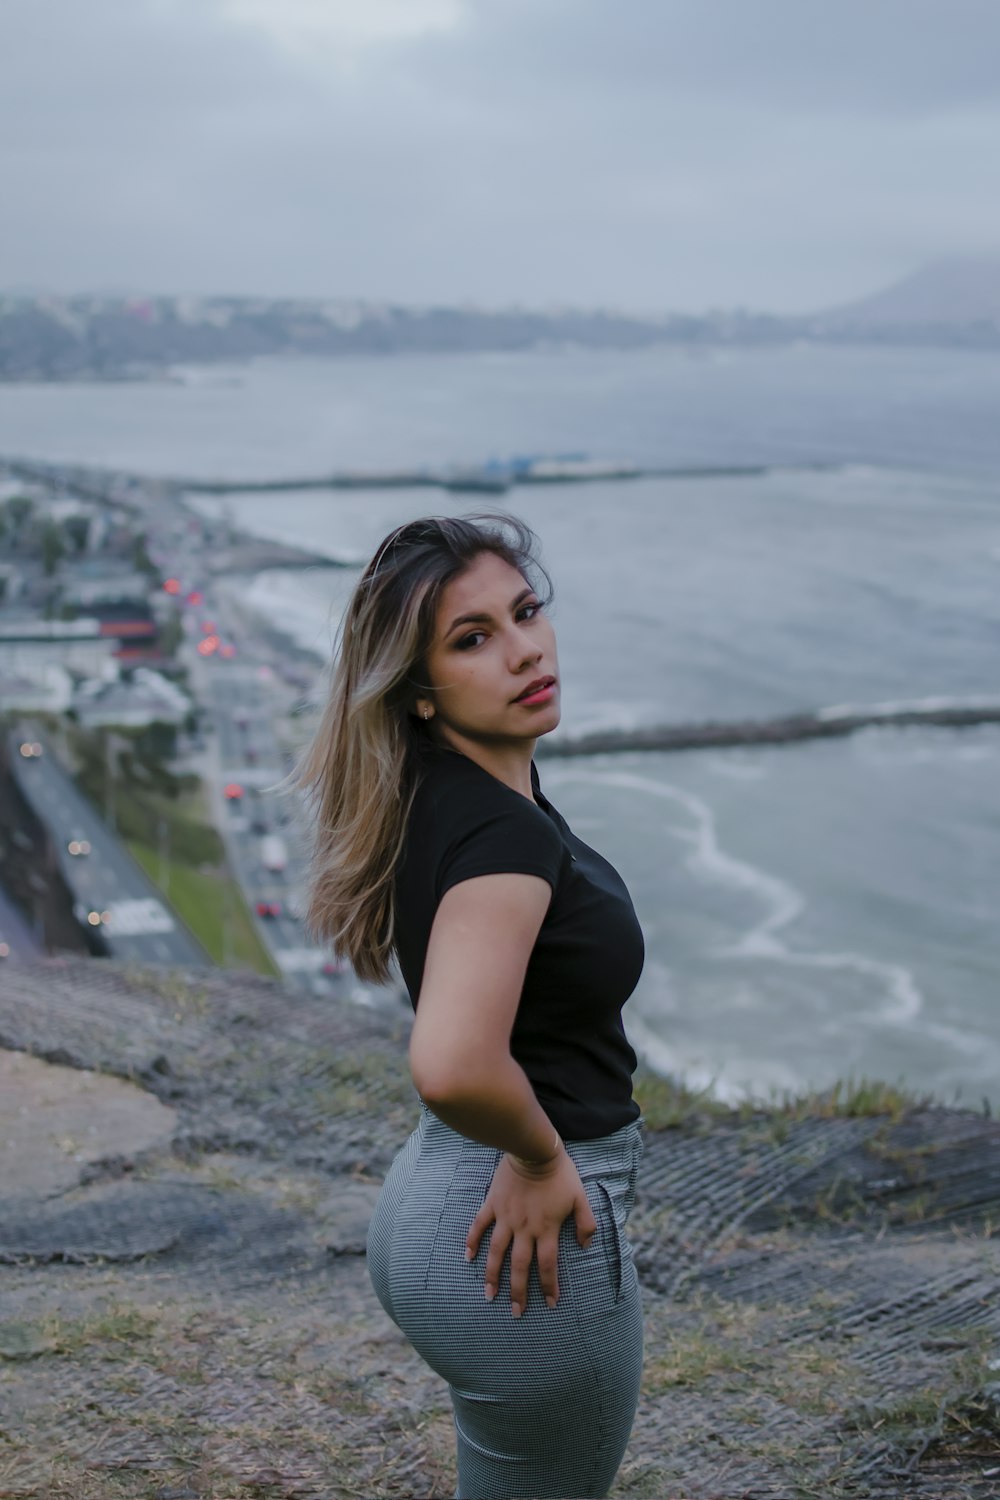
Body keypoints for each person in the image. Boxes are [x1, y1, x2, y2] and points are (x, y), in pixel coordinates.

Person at [297, 514, 645, 1499]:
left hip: (437, 1207)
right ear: (417, 693)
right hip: (521, 1234)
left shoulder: (446, 794)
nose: (524, 648)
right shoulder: (505, 843)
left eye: (524, 612)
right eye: (472, 638)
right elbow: (450, 1061)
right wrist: (540, 1155)